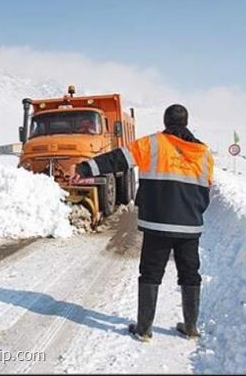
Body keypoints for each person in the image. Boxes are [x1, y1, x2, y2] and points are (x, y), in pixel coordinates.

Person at [74, 104, 214, 342]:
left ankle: (144, 330)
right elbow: (206, 186)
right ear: (186, 122)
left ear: (165, 121)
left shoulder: (153, 144)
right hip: (190, 226)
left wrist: (86, 167)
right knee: (191, 275)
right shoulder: (204, 152)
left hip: (158, 224)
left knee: (150, 274)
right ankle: (191, 328)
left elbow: (118, 159)